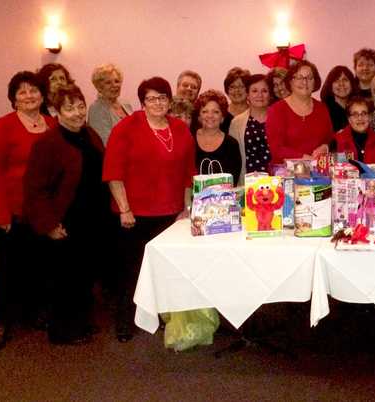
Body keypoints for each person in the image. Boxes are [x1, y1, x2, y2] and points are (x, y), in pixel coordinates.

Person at [102, 76, 195, 342]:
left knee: (164, 270)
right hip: (135, 213)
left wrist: (186, 207)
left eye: (162, 98)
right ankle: (125, 319)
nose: (157, 103)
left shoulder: (179, 129)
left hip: (170, 213)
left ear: (170, 101)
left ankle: (161, 316)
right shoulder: (126, 128)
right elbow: (113, 173)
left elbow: (188, 172)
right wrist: (124, 209)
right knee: (130, 269)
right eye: (151, 98)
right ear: (143, 102)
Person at [23, 85, 107, 345]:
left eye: (80, 106)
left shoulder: (90, 134)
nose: (77, 113)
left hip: (91, 217)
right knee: (65, 279)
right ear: (56, 111)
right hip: (65, 219)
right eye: (69, 108)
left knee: (84, 275)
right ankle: (63, 332)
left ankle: (81, 322)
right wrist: (49, 224)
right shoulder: (47, 143)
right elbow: (35, 189)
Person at [0, 71, 58, 351]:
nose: (29, 96)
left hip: (42, 212)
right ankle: (2, 321)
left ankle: (34, 312)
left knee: (39, 265)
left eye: (34, 90)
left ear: (42, 95)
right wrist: (0, 215)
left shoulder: (52, 124)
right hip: (11, 211)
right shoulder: (2, 127)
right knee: (9, 269)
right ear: (13, 98)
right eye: (22, 92)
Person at [265, 60, 333, 164]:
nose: (304, 82)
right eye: (299, 77)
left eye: (309, 78)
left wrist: (325, 147)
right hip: (285, 172)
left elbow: (329, 139)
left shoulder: (322, 108)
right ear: (290, 81)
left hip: (318, 172)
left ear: (315, 82)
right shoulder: (276, 110)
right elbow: (277, 149)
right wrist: (305, 158)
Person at [229, 74, 271, 185]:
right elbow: (234, 159)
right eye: (254, 91)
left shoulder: (279, 117)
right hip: (248, 183)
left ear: (270, 95)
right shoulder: (236, 123)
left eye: (264, 91)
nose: (259, 95)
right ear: (247, 95)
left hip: (276, 181)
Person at [194, 90, 242, 186]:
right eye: (205, 111)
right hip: (192, 200)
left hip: (224, 199)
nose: (210, 116)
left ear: (222, 117)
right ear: (199, 116)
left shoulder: (231, 144)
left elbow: (233, 181)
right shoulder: (189, 140)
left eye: (215, 112)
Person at [87, 63, 133, 145]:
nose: (114, 85)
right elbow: (106, 142)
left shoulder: (126, 104)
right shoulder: (96, 109)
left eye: (117, 81)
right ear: (99, 87)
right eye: (108, 82)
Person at [334, 96, 375, 163]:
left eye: (364, 113)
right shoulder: (338, 140)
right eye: (355, 114)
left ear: (370, 117)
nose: (360, 118)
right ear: (349, 119)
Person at [320, 66, 358, 131]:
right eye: (336, 80)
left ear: (352, 84)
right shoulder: (323, 110)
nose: (341, 84)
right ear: (330, 85)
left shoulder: (358, 108)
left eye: (345, 80)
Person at [222, 67, 251, 133]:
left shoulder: (254, 113)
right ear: (227, 90)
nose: (237, 90)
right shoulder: (221, 113)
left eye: (241, 86)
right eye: (232, 87)